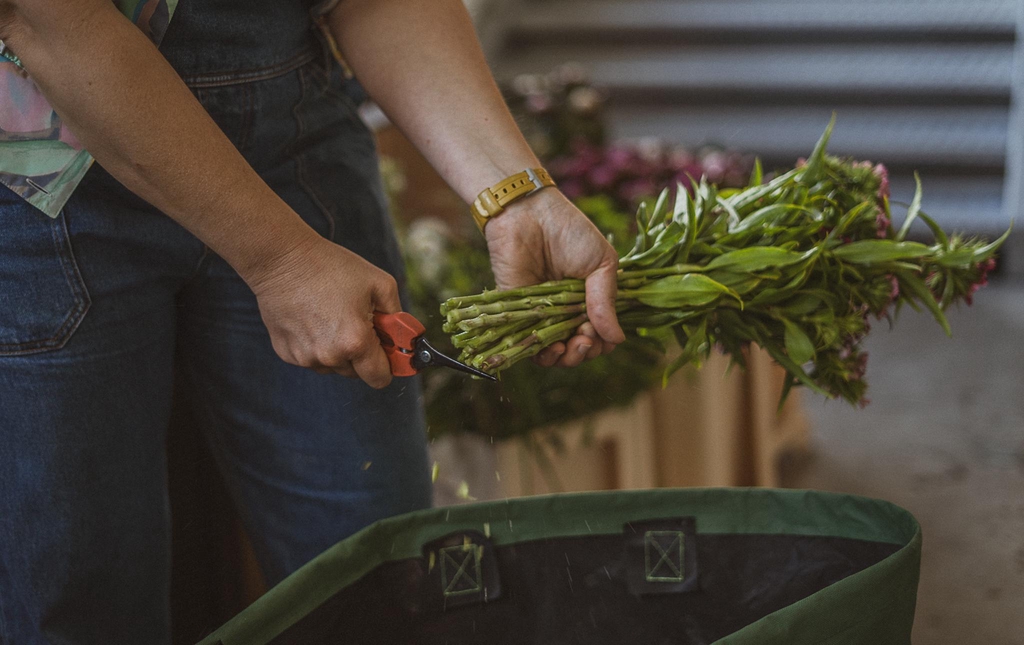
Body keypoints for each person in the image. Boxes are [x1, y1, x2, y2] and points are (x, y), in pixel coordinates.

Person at [0, 0, 624, 642]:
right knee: (74, 597)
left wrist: (517, 198)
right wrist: (283, 262)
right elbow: (47, 19)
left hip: (296, 146)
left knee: (379, 576)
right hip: (43, 185)